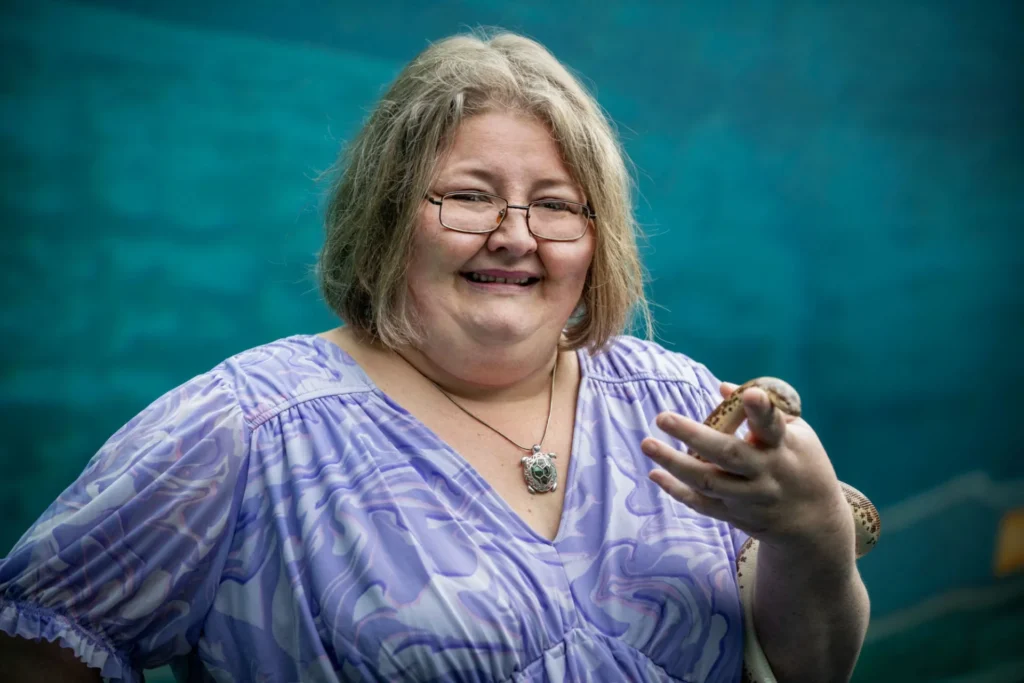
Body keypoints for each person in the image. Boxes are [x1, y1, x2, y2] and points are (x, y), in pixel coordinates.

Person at [0, 30, 869, 683]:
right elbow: (35, 639)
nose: (515, 236)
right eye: (469, 196)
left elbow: (810, 668)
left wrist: (814, 532)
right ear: (386, 218)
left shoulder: (676, 400)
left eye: (556, 205)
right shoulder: (249, 426)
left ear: (595, 239)